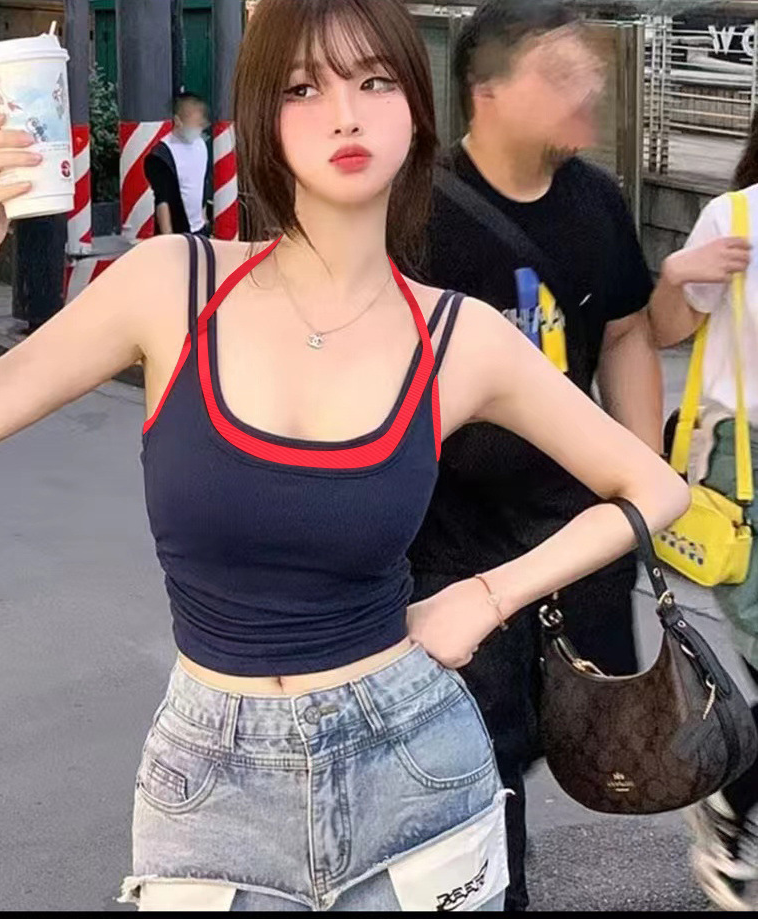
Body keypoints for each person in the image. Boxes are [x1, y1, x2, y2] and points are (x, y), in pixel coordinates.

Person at [0, 0, 687, 910]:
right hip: (209, 779)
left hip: (413, 757)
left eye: (375, 82)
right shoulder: (172, 286)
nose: (345, 115)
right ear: (264, 121)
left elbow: (650, 487)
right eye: (303, 89)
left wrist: (486, 595)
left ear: (415, 112)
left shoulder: (458, 338)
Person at [405, 2, 664, 909]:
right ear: (486, 91)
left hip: (573, 535)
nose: (587, 86)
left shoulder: (595, 201)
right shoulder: (416, 211)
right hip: (451, 539)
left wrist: (640, 483)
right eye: (558, 72)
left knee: (581, 728)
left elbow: (625, 332)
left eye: (587, 68)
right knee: (477, 750)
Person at [648, 109, 758, 914]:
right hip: (743, 464)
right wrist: (676, 272)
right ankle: (728, 796)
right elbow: (662, 329)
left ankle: (729, 788)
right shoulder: (736, 217)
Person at [145, 92, 212, 236]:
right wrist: (168, 237)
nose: (199, 128)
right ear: (178, 121)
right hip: (177, 232)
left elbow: (202, 183)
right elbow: (162, 201)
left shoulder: (201, 145)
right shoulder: (162, 155)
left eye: (201, 124)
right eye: (195, 123)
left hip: (199, 228)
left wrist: (204, 219)